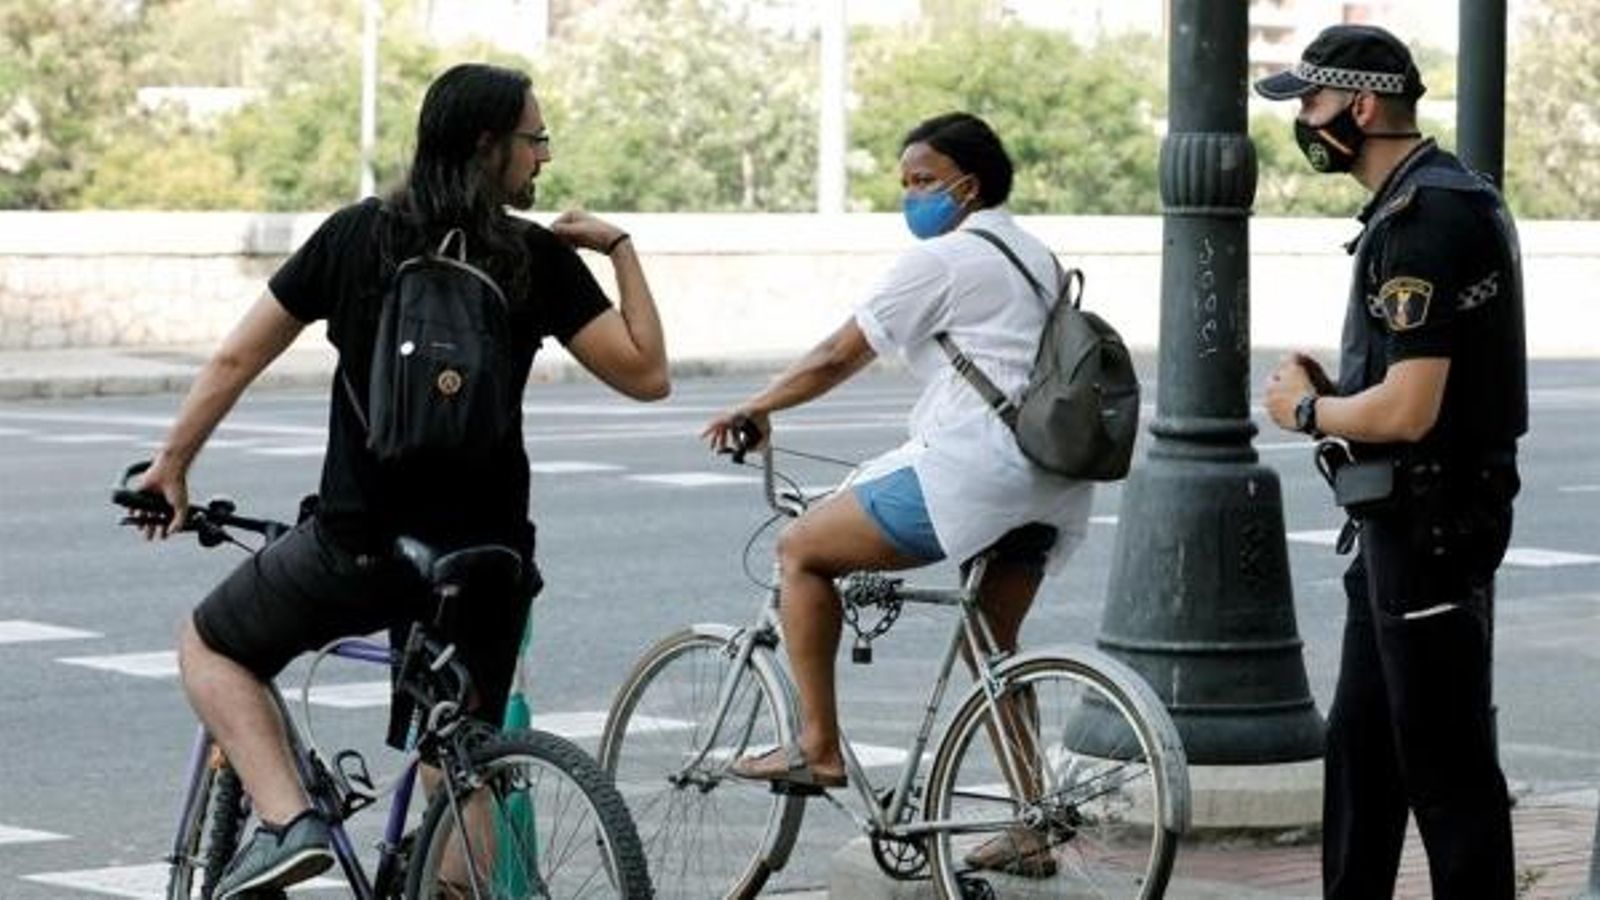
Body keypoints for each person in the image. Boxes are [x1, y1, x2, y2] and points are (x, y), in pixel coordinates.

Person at [131, 63, 668, 897]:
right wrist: (621, 250)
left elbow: (239, 356)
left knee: (212, 645)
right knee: (460, 761)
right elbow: (646, 374)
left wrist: (172, 465)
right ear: (489, 147)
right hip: (486, 559)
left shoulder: (357, 236)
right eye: (536, 139)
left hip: (361, 543)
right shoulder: (533, 256)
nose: (545, 158)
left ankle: (288, 824)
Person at [702, 111, 1093, 876]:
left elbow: (836, 354)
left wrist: (759, 407)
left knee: (802, 551)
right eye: (906, 184)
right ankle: (1032, 822)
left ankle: (815, 746)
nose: (910, 196)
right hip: (1053, 480)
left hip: (975, 473)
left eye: (922, 181)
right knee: (996, 648)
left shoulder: (945, 258)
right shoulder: (1035, 255)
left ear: (967, 187)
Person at [1255, 25, 1526, 900]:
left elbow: (1412, 411)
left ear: (1360, 106)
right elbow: (1422, 381)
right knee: (1363, 753)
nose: (1305, 119)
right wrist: (1347, 391)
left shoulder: (1423, 221)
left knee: (1446, 770)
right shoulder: (1447, 197)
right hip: (1406, 519)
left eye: (1313, 102)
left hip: (1431, 522)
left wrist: (1306, 409)